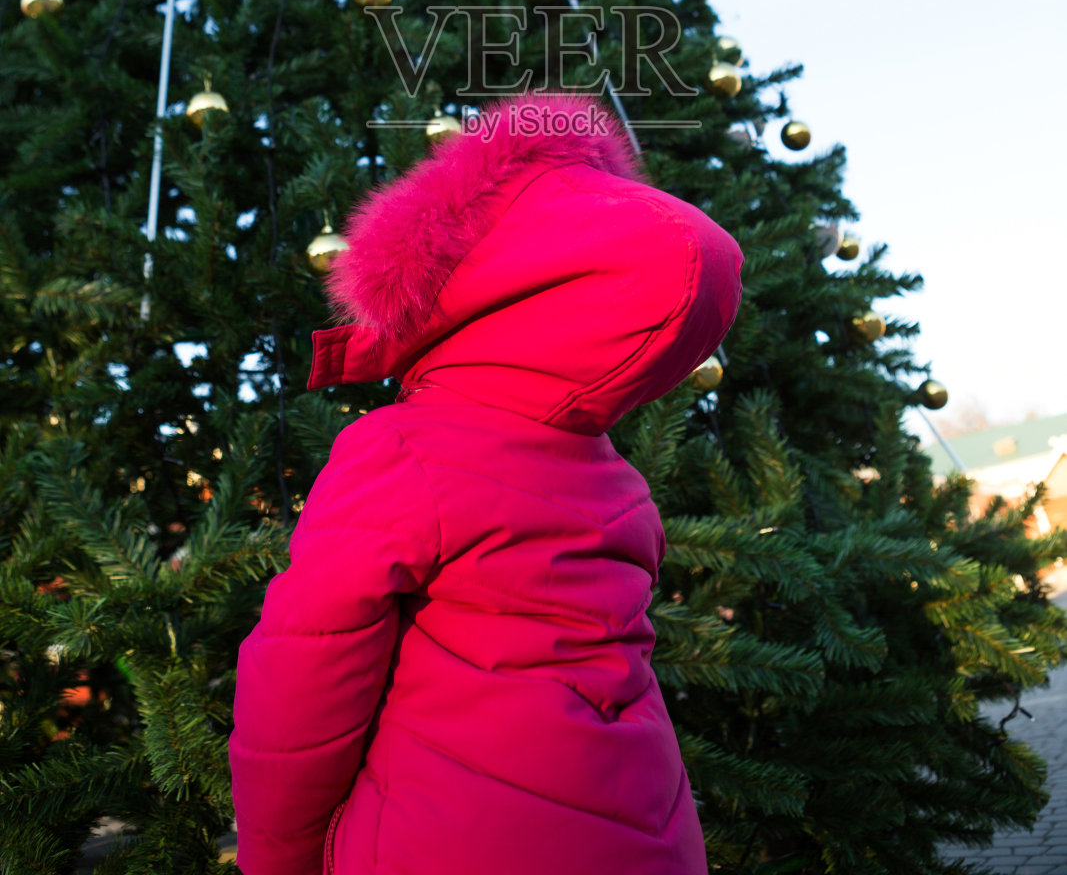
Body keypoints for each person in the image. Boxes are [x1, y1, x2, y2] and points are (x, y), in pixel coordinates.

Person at [229, 90, 743, 875]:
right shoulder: (615, 482)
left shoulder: (406, 451)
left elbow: (305, 675)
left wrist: (281, 856)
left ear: (477, 283)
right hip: (647, 836)